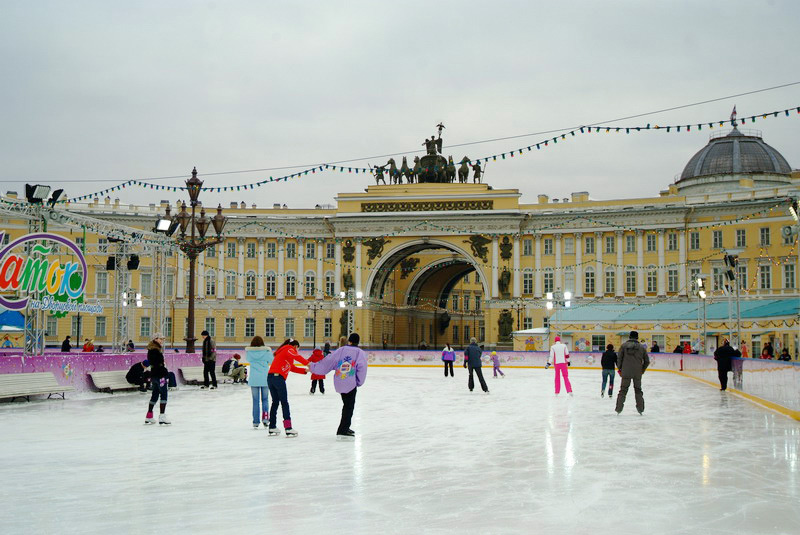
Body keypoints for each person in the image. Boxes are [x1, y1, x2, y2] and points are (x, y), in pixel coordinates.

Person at [309, 332, 368, 439]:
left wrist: (314, 367)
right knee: (349, 406)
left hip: (339, 381)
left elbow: (328, 361)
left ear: (349, 341)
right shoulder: (360, 353)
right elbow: (361, 368)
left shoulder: (341, 350)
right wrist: (359, 381)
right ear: (357, 342)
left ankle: (345, 427)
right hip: (350, 382)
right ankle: (343, 429)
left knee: (346, 405)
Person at [267, 339, 309, 437]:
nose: (297, 350)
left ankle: (272, 426)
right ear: (295, 346)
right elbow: (297, 357)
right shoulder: (288, 349)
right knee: (284, 402)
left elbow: (292, 367)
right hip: (278, 378)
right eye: (297, 348)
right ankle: (288, 428)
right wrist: (308, 363)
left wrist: (304, 371)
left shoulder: (283, 352)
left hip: (271, 378)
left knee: (275, 402)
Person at [615, 331, 650, 415]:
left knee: (623, 390)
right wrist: (642, 370)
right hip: (637, 372)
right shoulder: (642, 348)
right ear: (637, 337)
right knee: (638, 390)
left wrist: (620, 369)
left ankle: (619, 409)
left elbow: (619, 359)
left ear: (629, 337)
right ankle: (640, 409)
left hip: (626, 371)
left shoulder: (623, 346)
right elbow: (647, 361)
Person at [245, 336, 273, 429]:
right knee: (265, 399)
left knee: (255, 401)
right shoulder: (267, 352)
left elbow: (248, 360)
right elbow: (272, 361)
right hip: (265, 378)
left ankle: (255, 421)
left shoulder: (249, 352)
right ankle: (265, 419)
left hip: (254, 379)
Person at [144, 333, 170, 424]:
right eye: (160, 339)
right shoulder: (155, 350)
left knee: (155, 394)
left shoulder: (151, 349)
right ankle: (162, 416)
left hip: (154, 375)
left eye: (163, 339)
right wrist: (164, 372)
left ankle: (149, 415)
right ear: (155, 339)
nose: (162, 340)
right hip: (160, 375)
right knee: (163, 394)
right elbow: (158, 363)